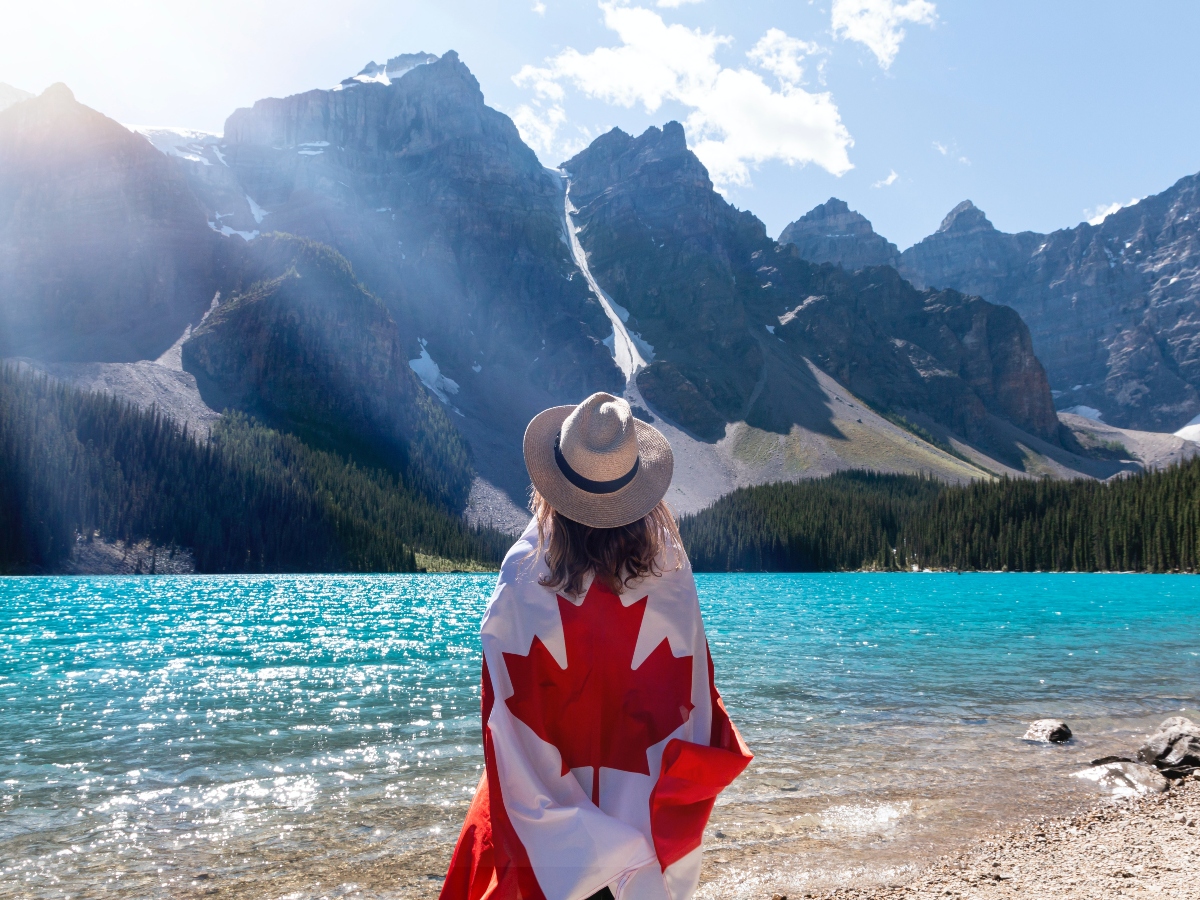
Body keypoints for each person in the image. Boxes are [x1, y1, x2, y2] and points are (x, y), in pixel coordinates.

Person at [440, 392, 751, 900]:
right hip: (645, 806)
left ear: (553, 487)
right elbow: (696, 687)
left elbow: (502, 708)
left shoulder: (524, 572)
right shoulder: (670, 567)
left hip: (552, 813)